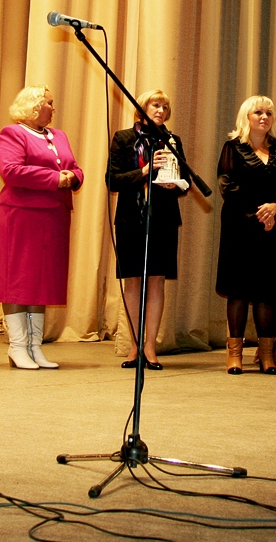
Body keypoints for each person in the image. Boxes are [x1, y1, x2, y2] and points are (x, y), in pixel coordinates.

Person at [0, 85, 83, 370]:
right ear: (33, 105)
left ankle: (35, 346)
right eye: (49, 103)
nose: (53, 109)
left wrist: (73, 177)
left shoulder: (59, 136)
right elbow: (11, 171)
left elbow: (75, 167)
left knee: (43, 281)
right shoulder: (13, 133)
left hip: (54, 216)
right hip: (21, 215)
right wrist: (56, 179)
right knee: (18, 281)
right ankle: (18, 347)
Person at [215, 95, 276, 375]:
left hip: (272, 229)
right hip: (240, 227)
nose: (264, 117)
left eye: (269, 113)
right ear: (246, 117)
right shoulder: (232, 147)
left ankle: (266, 355)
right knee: (238, 290)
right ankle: (234, 355)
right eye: (258, 112)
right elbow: (228, 186)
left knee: (267, 291)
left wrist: (275, 207)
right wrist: (260, 212)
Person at [107, 90, 188, 370]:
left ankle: (150, 346)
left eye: (165, 106)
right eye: (156, 105)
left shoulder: (172, 140)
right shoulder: (123, 138)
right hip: (131, 218)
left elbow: (186, 179)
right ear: (141, 108)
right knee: (132, 281)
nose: (161, 110)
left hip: (163, 217)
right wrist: (144, 171)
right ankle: (134, 346)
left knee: (156, 280)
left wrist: (175, 184)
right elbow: (112, 180)